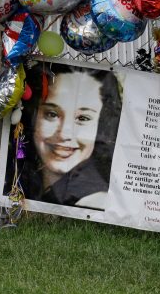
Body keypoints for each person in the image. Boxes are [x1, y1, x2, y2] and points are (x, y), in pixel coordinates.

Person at [14, 62, 122, 210]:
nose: (64, 133)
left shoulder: (94, 202)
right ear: (33, 115)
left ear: (102, 125)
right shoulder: (19, 177)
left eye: (83, 118)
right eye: (51, 114)